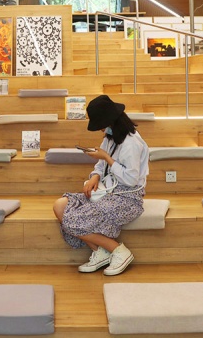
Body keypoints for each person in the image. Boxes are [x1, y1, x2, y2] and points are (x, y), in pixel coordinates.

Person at [53, 95, 149, 276]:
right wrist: (95, 177)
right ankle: (100, 252)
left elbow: (130, 180)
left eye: (102, 125)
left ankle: (119, 251)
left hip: (127, 198)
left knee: (73, 219)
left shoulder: (131, 143)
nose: (101, 130)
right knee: (60, 206)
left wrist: (106, 157)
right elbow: (101, 165)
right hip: (107, 191)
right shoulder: (111, 137)